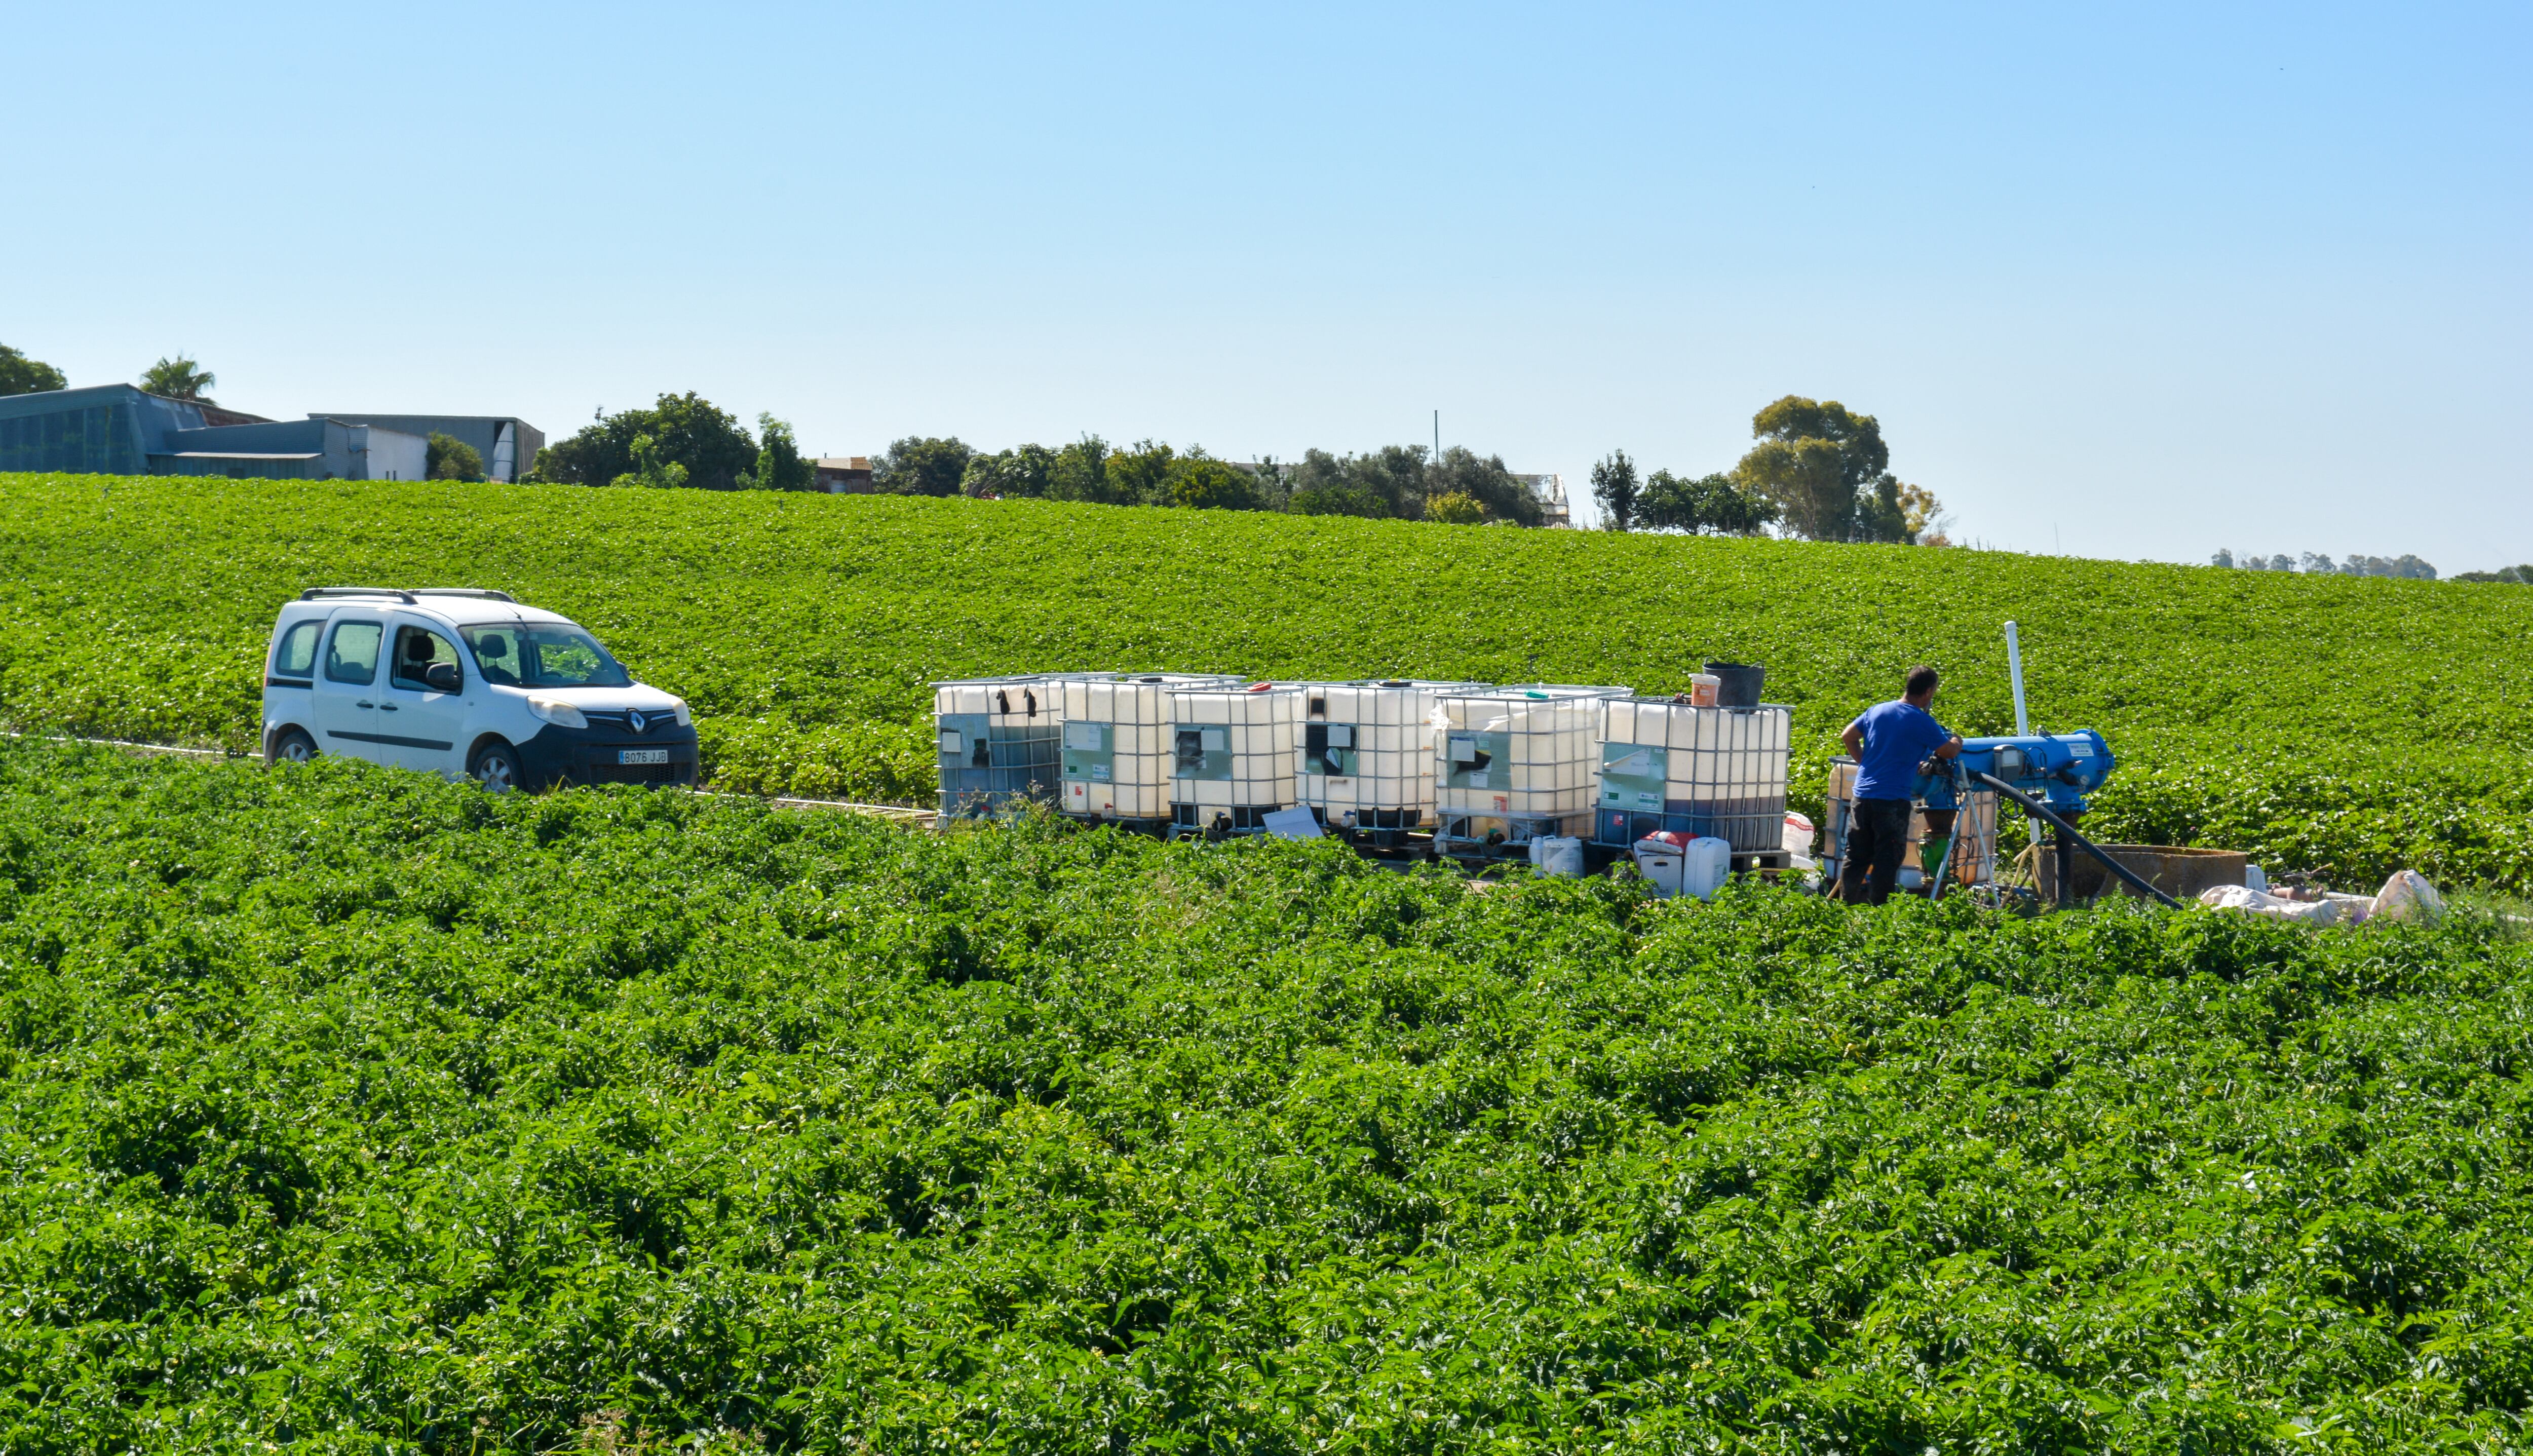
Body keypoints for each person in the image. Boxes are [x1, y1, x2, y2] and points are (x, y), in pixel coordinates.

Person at [1838, 664, 1963, 905]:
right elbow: (1948, 752)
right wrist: (1957, 740)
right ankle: (1880, 913)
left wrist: (1866, 763)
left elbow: (1848, 736)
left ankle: (1847, 907)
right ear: (1928, 692)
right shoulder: (1921, 720)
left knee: (1857, 855)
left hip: (1862, 797)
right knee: (1888, 858)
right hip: (1891, 801)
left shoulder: (1878, 711)